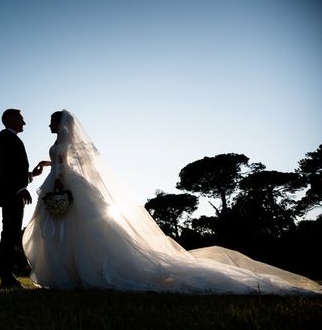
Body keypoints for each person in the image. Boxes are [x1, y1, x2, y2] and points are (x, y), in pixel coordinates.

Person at [22, 109, 322, 295]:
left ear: (60, 123)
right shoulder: (69, 144)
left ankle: (72, 276)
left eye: (51, 120)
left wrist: (57, 188)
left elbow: (63, 167)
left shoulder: (60, 143)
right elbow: (66, 163)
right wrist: (49, 169)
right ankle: (80, 273)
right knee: (86, 234)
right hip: (72, 183)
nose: (48, 124)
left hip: (64, 186)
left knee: (67, 233)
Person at [0, 108, 49, 289]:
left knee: (11, 234)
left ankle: (7, 277)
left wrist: (32, 174)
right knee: (9, 234)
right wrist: (20, 188)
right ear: (10, 119)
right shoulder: (5, 136)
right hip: (12, 193)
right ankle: (7, 278)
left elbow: (16, 169)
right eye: (21, 119)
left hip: (14, 191)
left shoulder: (11, 138)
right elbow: (8, 166)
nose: (24, 123)